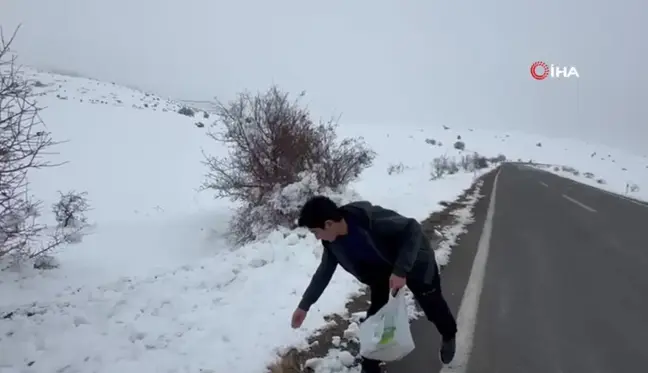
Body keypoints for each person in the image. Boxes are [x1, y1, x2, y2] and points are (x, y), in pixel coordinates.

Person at [290, 196, 458, 373]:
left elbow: (412, 229)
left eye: (316, 232)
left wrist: (401, 270)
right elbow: (323, 273)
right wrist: (304, 305)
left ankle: (448, 334)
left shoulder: (369, 219)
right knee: (375, 320)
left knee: (432, 305)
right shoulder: (332, 243)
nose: (317, 237)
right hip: (381, 275)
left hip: (414, 262)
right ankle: (370, 367)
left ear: (329, 223)